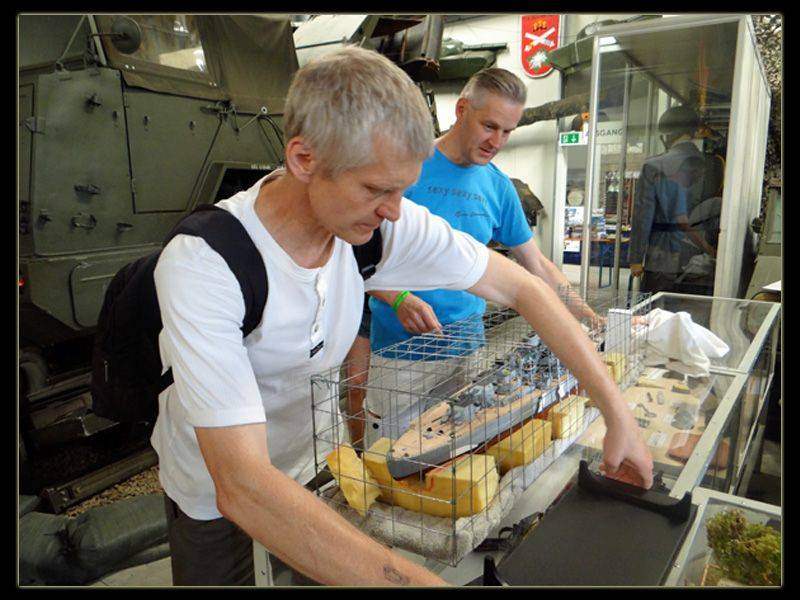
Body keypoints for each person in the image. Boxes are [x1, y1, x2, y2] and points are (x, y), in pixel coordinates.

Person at [152, 47, 653, 587]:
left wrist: (618, 414)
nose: (394, 210)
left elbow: (524, 288)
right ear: (303, 159)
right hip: (215, 486)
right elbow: (242, 485)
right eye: (376, 189)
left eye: (402, 189)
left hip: (311, 464)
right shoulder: (206, 263)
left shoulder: (376, 226)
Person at [360, 68, 602, 446]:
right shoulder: (409, 168)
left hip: (466, 346)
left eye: (508, 131)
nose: (497, 141)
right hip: (401, 350)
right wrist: (399, 297)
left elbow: (535, 264)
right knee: (390, 454)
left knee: (457, 452)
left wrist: (583, 313)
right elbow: (359, 252)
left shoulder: (498, 186)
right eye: (489, 126)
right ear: (461, 110)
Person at [629, 105, 718, 295]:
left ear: (667, 135)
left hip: (661, 256)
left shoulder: (654, 166)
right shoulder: (715, 164)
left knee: (654, 315)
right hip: (702, 259)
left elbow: (642, 216)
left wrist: (636, 258)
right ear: (694, 132)